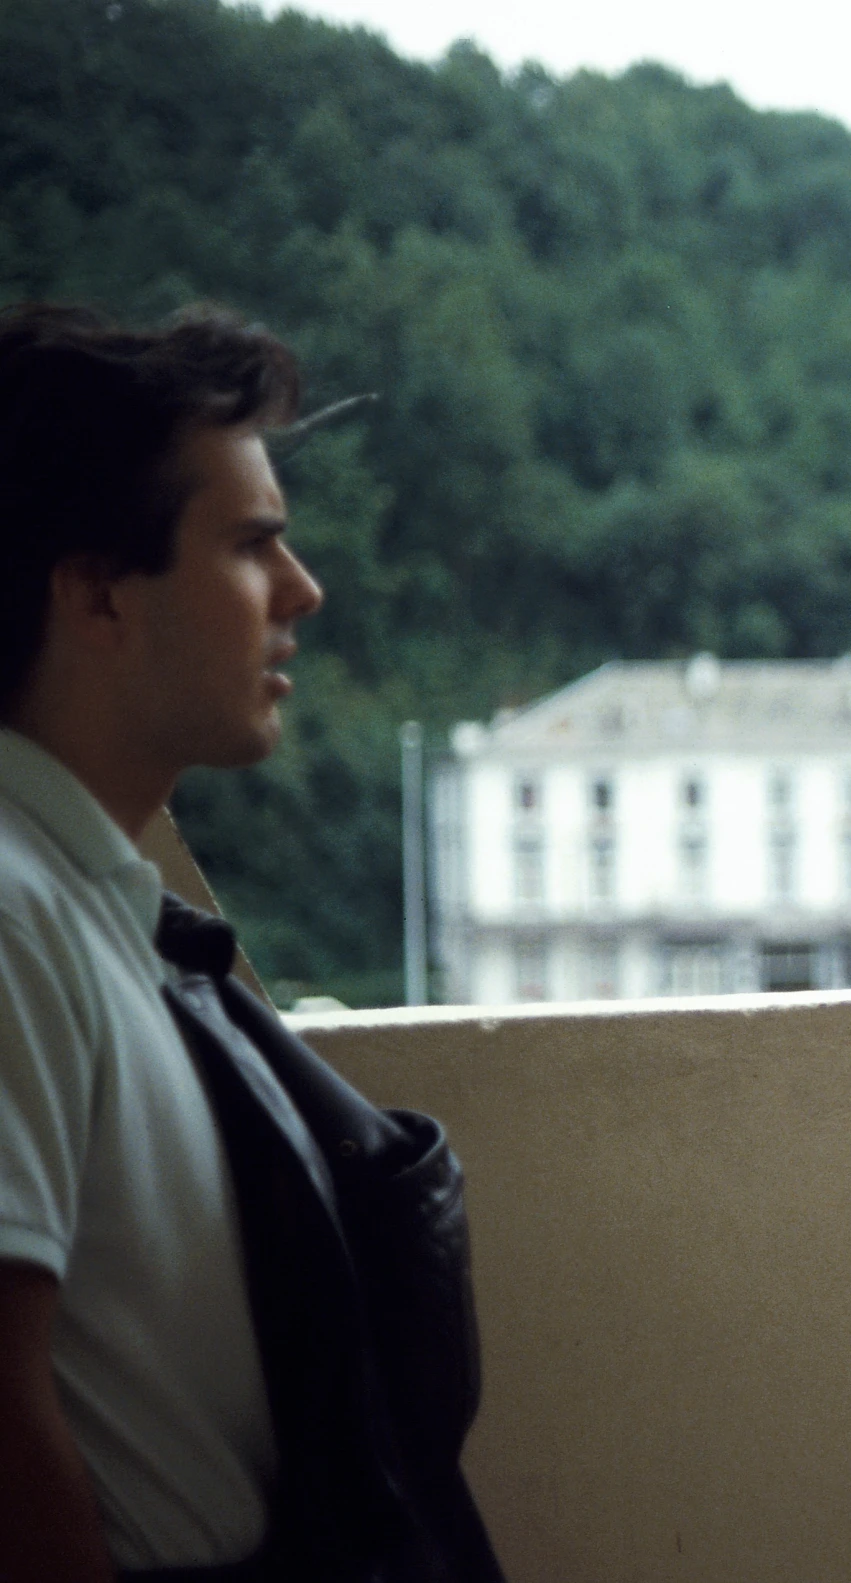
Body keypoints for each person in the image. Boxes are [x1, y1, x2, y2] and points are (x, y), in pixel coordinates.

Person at [0, 303, 498, 1581]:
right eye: (252, 544)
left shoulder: (85, 904)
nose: (302, 590)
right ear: (100, 591)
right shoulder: (11, 915)